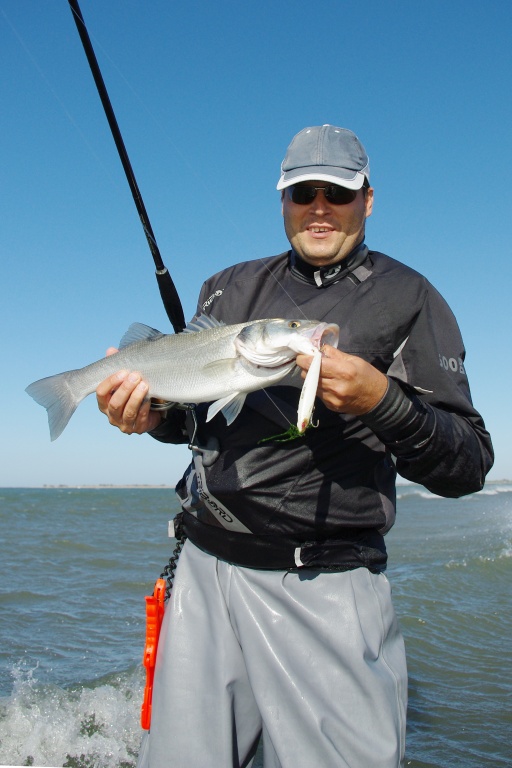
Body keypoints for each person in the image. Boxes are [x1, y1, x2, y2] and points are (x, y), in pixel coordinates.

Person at [96, 125, 493, 768]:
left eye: (336, 192)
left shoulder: (410, 298)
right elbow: (206, 429)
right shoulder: (228, 287)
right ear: (281, 200)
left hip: (324, 580)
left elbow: (468, 464)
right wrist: (152, 416)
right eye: (301, 192)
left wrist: (381, 402)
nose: (318, 208)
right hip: (203, 567)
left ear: (368, 199)